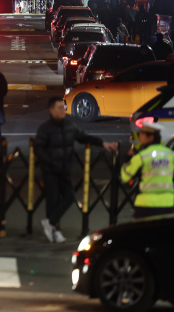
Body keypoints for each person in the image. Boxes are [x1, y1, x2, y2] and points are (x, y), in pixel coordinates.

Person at [34, 96, 118, 243]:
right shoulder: (45, 128)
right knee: (52, 201)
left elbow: (84, 137)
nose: (63, 111)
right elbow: (38, 149)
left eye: (63, 107)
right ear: (51, 110)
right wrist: (50, 161)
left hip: (64, 169)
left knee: (69, 196)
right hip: (50, 170)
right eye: (59, 108)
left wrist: (103, 143)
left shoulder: (69, 126)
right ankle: (55, 231)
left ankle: (50, 223)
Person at [121, 122, 174, 219]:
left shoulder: (141, 156)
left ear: (151, 137)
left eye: (142, 134)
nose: (140, 137)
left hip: (145, 205)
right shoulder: (172, 155)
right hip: (167, 204)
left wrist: (127, 159)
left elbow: (125, 176)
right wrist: (173, 198)